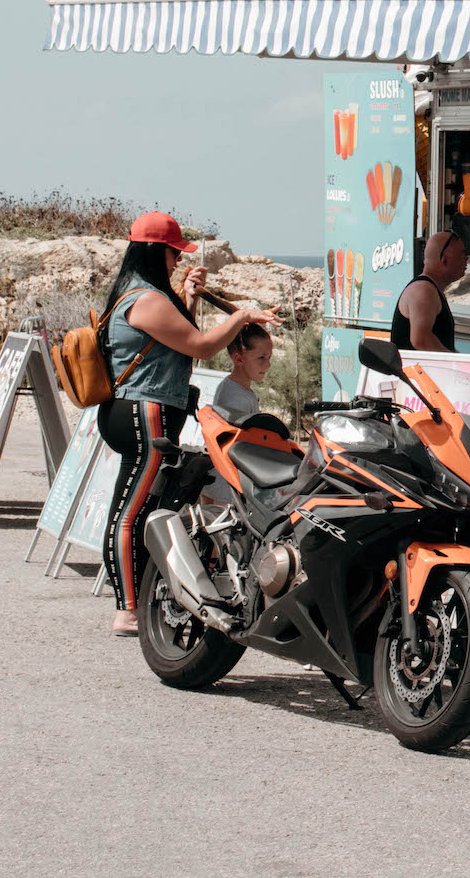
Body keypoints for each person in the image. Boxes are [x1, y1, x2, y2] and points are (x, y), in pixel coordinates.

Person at [99, 212, 276, 637]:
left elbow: (180, 348)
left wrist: (189, 299)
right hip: (145, 414)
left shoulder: (137, 295)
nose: (177, 260)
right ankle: (126, 608)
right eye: (174, 252)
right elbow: (199, 344)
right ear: (154, 252)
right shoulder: (146, 300)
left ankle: (134, 596)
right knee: (131, 514)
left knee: (142, 507)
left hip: (137, 413)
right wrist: (242, 317)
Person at [392, 230, 466, 353]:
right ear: (444, 260)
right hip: (414, 371)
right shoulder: (424, 290)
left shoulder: (429, 288)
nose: (466, 260)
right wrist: (457, 362)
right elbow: (421, 340)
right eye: (462, 256)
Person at [208, 322, 272, 428]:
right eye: (261, 358)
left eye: (269, 357)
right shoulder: (235, 398)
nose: (268, 365)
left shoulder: (238, 389)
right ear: (239, 359)